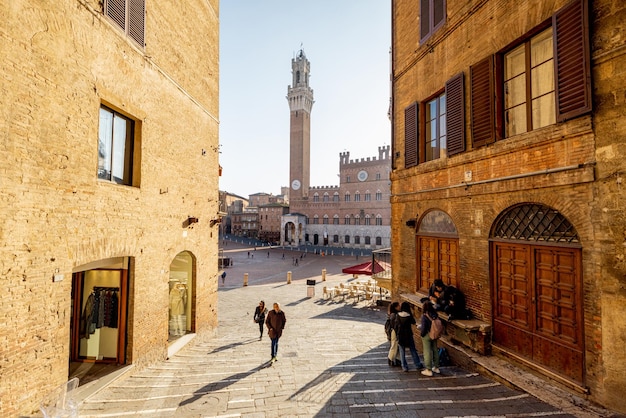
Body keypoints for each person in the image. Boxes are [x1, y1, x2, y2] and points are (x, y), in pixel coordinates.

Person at [396, 302, 424, 372]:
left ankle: (404, 366)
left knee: (402, 351)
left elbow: (396, 325)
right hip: (408, 334)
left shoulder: (398, 315)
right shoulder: (409, 316)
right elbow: (414, 322)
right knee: (413, 350)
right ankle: (417, 364)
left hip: (401, 335)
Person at [420, 300, 441, 376]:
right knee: (435, 350)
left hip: (427, 335)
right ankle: (436, 367)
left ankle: (428, 369)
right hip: (435, 334)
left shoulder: (425, 316)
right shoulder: (435, 315)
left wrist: (422, 334)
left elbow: (424, 328)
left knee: (427, 351)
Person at [386, 302, 402, 367]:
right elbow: (394, 325)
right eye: (398, 306)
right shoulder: (394, 315)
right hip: (394, 332)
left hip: (394, 331)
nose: (400, 307)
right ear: (395, 307)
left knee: (397, 346)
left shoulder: (393, 314)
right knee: (394, 345)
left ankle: (398, 359)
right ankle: (391, 359)